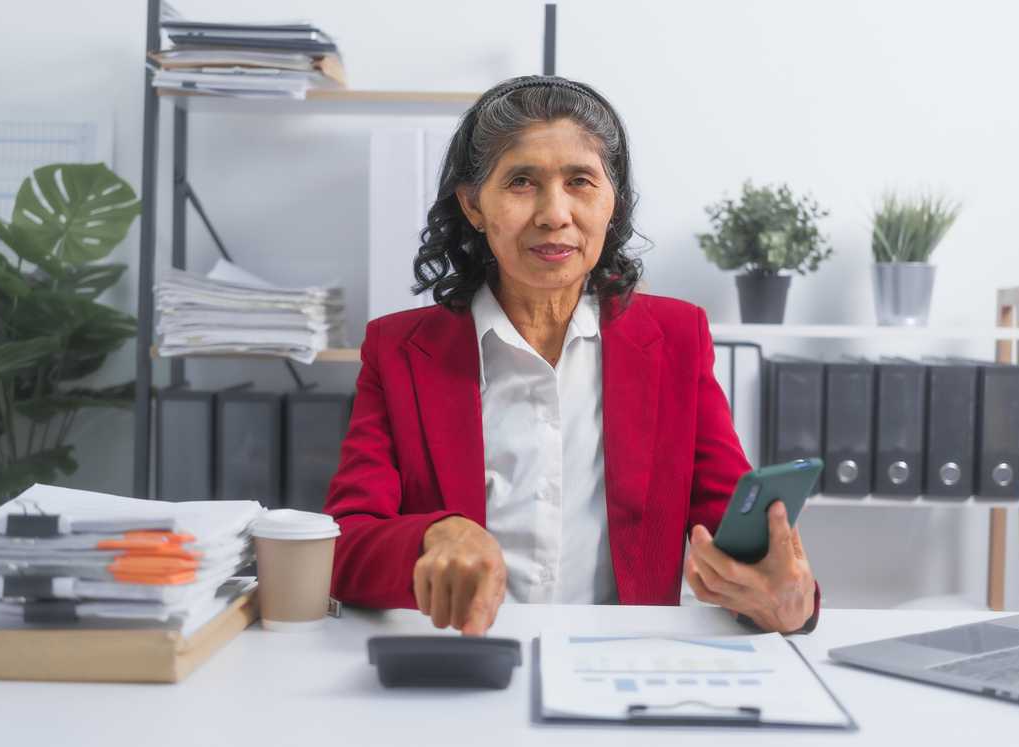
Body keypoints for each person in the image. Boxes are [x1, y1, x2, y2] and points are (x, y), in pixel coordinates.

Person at [324, 75, 819, 636]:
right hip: (461, 664)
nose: (553, 213)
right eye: (520, 182)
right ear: (473, 205)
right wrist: (435, 533)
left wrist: (788, 598)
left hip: (617, 670)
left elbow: (736, 534)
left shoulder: (677, 338)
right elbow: (343, 545)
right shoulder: (399, 351)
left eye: (581, 181)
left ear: (614, 201)